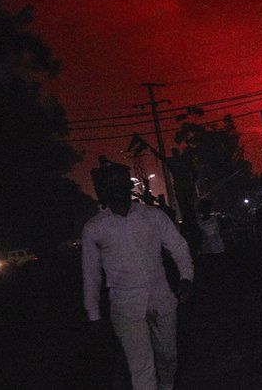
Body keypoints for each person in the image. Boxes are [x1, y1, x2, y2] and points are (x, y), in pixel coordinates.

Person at [82, 158, 193, 390]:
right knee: (141, 368)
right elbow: (91, 273)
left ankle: (166, 386)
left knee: (168, 357)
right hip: (126, 307)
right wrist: (93, 314)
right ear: (103, 190)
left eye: (121, 181)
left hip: (161, 299)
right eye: (111, 183)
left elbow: (178, 247)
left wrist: (186, 277)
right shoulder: (95, 228)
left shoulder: (152, 216)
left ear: (128, 185)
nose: (118, 187)